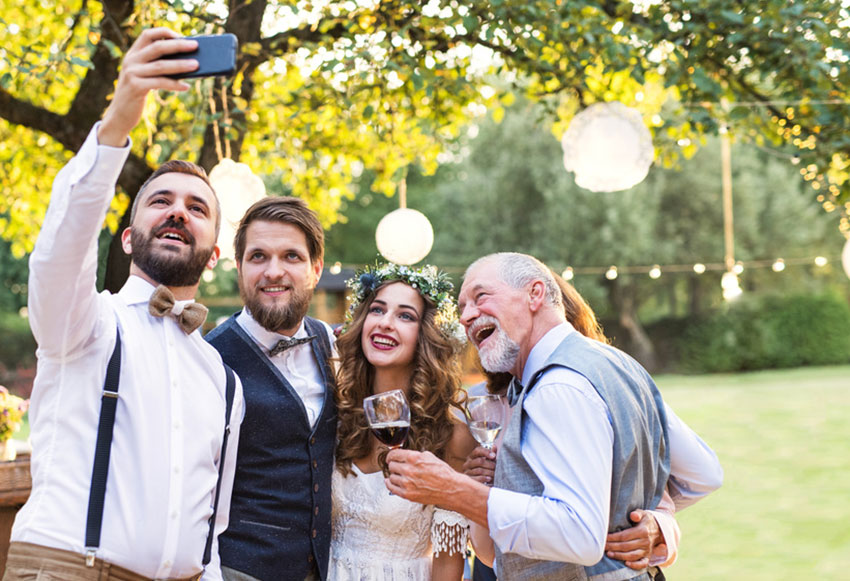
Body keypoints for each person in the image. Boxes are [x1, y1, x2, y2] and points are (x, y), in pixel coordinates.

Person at [5, 28, 244, 581]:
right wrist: (117, 124)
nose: (178, 212)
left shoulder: (222, 380)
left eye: (197, 208)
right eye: (160, 201)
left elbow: (211, 523)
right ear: (130, 238)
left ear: (212, 257)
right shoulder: (85, 323)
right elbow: (60, 248)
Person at [386, 252, 717, 580]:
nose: (466, 316)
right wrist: (636, 518)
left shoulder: (557, 386)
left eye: (480, 296)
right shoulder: (619, 364)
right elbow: (703, 474)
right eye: (462, 307)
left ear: (535, 294)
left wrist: (453, 490)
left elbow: (579, 534)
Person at [205, 197, 336, 581]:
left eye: (291, 257)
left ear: (315, 269)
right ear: (240, 268)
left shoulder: (330, 342)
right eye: (258, 256)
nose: (273, 272)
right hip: (239, 569)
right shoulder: (209, 359)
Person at [329, 263, 476, 580]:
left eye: (405, 315)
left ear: (426, 334)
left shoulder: (450, 434)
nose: (385, 323)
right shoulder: (336, 413)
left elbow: (448, 561)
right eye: (377, 310)